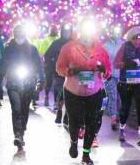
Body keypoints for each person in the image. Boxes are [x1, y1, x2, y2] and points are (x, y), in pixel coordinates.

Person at [56, 20, 111, 165]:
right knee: (74, 120)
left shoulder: (100, 49)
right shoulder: (69, 47)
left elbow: (108, 69)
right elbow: (59, 67)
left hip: (94, 91)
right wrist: (70, 71)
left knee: (91, 122)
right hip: (73, 91)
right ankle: (73, 142)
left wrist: (104, 71)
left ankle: (86, 155)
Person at [0, 24, 44, 151]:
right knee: (16, 108)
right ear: (14, 34)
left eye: (21, 33)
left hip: (29, 82)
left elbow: (38, 66)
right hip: (13, 82)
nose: (19, 36)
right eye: (17, 33)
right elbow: (3, 65)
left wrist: (41, 80)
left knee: (24, 109)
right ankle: (17, 134)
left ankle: (22, 131)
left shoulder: (32, 49)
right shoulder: (8, 49)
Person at [114, 26, 140, 145]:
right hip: (125, 82)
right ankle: (121, 130)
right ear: (130, 38)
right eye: (135, 38)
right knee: (126, 107)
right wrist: (127, 64)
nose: (138, 41)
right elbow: (116, 63)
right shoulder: (125, 46)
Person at [44, 23, 73, 122]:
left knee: (70, 95)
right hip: (59, 73)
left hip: (71, 74)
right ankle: (59, 111)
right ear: (62, 32)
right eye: (65, 31)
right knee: (60, 93)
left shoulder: (74, 44)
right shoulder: (56, 43)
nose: (66, 33)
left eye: (68, 31)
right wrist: (53, 64)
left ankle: (67, 114)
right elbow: (47, 55)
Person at [103, 26, 125, 130]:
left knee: (120, 99)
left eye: (118, 32)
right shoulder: (106, 46)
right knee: (113, 96)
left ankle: (118, 115)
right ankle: (113, 119)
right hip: (110, 76)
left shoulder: (124, 45)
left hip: (122, 76)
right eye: (114, 32)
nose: (116, 34)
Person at [40, 25, 59, 106]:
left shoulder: (59, 39)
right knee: (49, 82)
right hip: (49, 64)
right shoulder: (46, 40)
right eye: (52, 30)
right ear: (50, 31)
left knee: (57, 83)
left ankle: (56, 101)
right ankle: (47, 97)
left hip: (57, 63)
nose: (54, 31)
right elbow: (41, 52)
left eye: (55, 30)